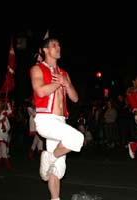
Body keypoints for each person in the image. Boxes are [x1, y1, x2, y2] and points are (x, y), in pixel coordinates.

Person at [29, 37, 84, 200]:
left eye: (59, 44)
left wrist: (67, 84)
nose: (58, 47)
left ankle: (55, 198)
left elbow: (75, 98)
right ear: (45, 50)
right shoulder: (37, 69)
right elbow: (40, 91)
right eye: (54, 45)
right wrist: (59, 83)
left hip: (60, 121)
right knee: (77, 138)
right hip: (45, 120)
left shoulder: (64, 74)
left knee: (57, 169)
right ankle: (50, 156)